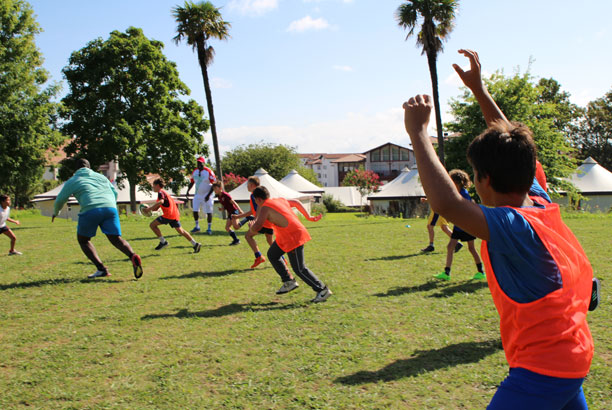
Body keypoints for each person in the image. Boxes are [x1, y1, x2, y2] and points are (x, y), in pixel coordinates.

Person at [402, 49, 594, 409]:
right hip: (571, 351)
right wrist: (479, 89)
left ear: (485, 180)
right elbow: (516, 146)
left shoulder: (512, 224)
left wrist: (418, 134)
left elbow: (447, 205)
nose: (473, 185)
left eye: (474, 177)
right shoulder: (537, 200)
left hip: (544, 368)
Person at [53, 159, 143, 279]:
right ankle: (132, 255)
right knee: (116, 239)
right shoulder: (101, 177)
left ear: (76, 169)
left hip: (91, 209)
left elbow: (60, 199)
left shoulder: (74, 180)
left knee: (84, 240)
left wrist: (56, 212)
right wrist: (109, 205)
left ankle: (102, 269)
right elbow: (114, 193)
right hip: (110, 208)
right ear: (90, 167)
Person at [249, 186, 331, 302]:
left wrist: (251, 227)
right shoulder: (278, 200)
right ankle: (288, 281)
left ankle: (322, 290)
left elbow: (257, 227)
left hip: (293, 236)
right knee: (272, 254)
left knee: (299, 268)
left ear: (257, 199)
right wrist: (308, 216)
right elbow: (296, 202)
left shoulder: (264, 208)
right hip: (285, 237)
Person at [433, 169, 485, 281]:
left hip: (466, 226)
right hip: (459, 226)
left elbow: (464, 210)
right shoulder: (457, 193)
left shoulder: (464, 194)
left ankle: (481, 272)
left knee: (471, 248)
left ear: (457, 183)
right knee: (450, 247)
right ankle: (447, 272)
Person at [143, 178, 201, 253]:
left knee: (152, 225)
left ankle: (163, 242)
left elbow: (161, 201)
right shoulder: (163, 193)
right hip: (174, 214)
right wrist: (150, 210)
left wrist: (149, 209)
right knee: (181, 231)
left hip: (168, 215)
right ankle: (195, 244)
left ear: (157, 185)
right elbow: (157, 207)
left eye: (153, 186)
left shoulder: (161, 192)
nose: (153, 187)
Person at [231, 176, 277, 269]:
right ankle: (282, 258)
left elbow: (259, 208)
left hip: (262, 221)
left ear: (251, 185)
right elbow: (253, 211)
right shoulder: (262, 192)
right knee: (269, 240)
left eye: (247, 185)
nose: (247, 187)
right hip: (269, 221)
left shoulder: (254, 195)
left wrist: (256, 221)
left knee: (248, 236)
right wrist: (238, 216)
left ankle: (259, 256)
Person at [185, 157, 216, 235]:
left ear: (203, 163)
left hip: (207, 194)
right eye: (198, 163)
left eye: (201, 163)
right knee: (195, 210)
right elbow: (192, 182)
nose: (199, 164)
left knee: (209, 211)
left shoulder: (208, 171)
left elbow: (214, 184)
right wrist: (188, 191)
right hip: (198, 194)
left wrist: (208, 195)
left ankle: (209, 228)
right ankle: (197, 226)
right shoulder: (195, 171)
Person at [211, 181, 242, 246]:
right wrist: (222, 209)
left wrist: (240, 210)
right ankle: (236, 240)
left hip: (234, 211)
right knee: (227, 228)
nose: (214, 190)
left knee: (235, 226)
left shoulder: (226, 195)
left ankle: (246, 219)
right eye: (213, 189)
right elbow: (226, 204)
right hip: (230, 213)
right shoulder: (219, 196)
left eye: (215, 188)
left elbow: (233, 202)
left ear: (220, 188)